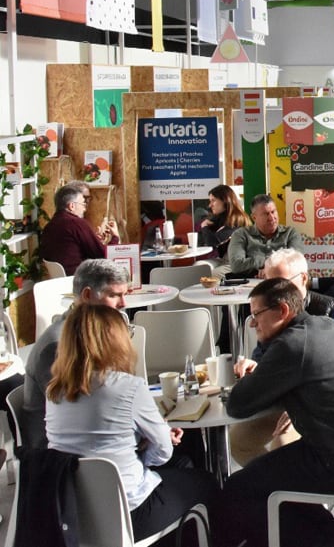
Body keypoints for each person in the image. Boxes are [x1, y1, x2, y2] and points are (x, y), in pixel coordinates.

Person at [215, 278, 334, 547]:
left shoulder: (291, 345)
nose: (253, 323)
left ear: (282, 311)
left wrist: (253, 378)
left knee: (238, 488)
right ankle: (331, 535)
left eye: (256, 315)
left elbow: (238, 404)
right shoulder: (323, 325)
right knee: (266, 478)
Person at [45, 302, 217, 541]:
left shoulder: (54, 392)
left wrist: (135, 448)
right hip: (129, 512)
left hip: (72, 512)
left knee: (182, 465)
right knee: (207, 481)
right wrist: (144, 455)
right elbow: (163, 452)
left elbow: (87, 442)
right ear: (115, 341)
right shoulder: (128, 387)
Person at [20, 259, 131, 448]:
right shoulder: (58, 345)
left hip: (88, 435)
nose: (123, 304)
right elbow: (79, 414)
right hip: (61, 458)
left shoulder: (88, 330)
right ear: (87, 295)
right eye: (114, 295)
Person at [38, 181, 120, 276]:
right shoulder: (76, 223)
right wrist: (115, 237)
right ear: (72, 206)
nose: (85, 209)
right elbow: (104, 255)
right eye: (83, 204)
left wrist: (96, 240)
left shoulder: (50, 225)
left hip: (61, 281)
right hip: (80, 280)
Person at [225, 194, 305, 278]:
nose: (272, 218)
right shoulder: (241, 235)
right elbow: (236, 265)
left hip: (283, 283)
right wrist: (271, 262)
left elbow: (296, 262)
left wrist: (268, 270)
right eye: (266, 214)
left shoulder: (290, 233)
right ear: (254, 217)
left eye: (273, 212)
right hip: (250, 284)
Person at [198, 184, 251, 260]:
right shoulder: (219, 218)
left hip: (236, 262)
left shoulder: (236, 220)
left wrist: (204, 225)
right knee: (200, 265)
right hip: (224, 259)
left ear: (225, 200)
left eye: (213, 200)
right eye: (210, 201)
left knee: (205, 268)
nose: (210, 205)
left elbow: (212, 242)